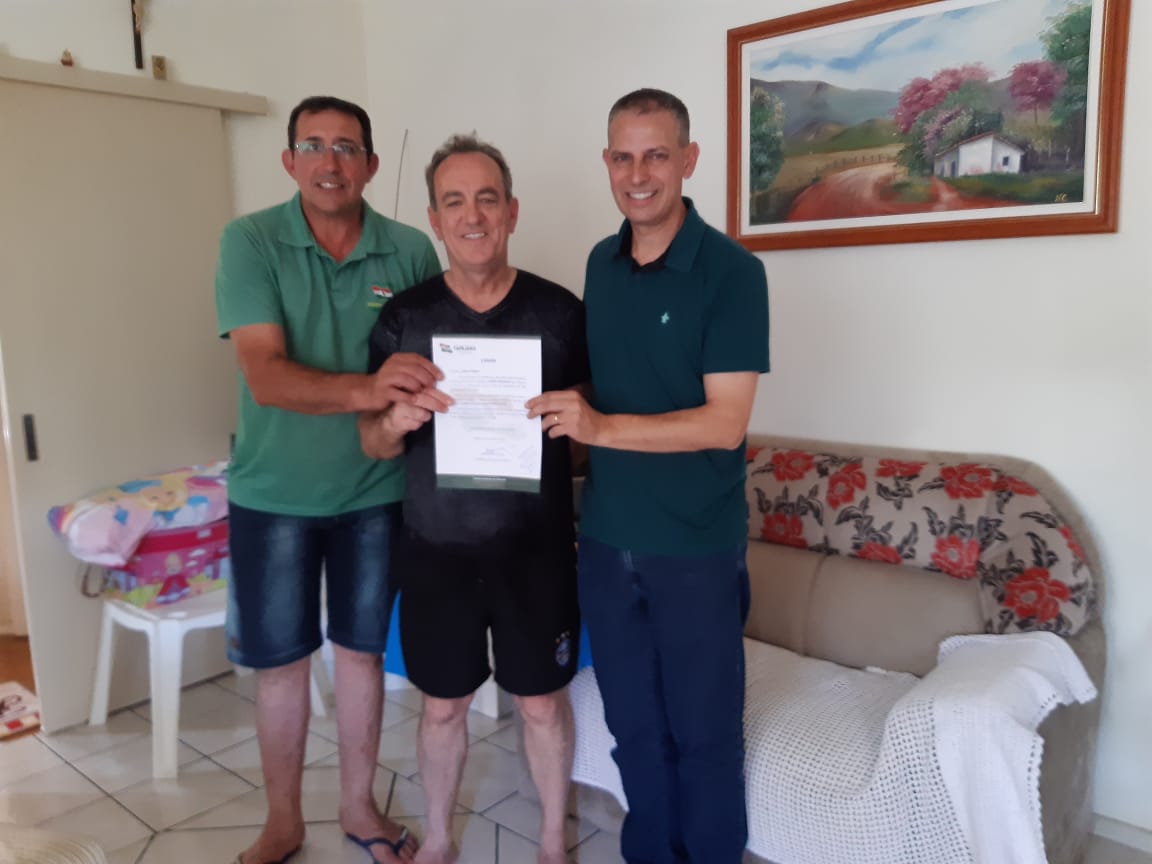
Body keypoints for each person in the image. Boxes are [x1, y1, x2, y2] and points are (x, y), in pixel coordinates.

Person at [527, 88, 770, 863]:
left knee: (704, 738)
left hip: (696, 549)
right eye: (623, 157)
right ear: (606, 163)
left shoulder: (733, 272)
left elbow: (724, 421)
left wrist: (598, 428)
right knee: (633, 731)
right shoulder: (600, 265)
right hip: (606, 542)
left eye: (656, 155)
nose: (638, 175)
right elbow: (607, 386)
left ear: (688, 160)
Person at [215, 95, 443, 864]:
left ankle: (358, 808)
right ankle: (283, 821)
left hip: (376, 494)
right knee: (281, 669)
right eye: (311, 145)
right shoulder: (249, 241)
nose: (329, 161)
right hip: (271, 495)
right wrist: (370, 388)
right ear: (289, 161)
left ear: (371, 165)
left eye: (346, 147)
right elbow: (267, 376)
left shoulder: (409, 250)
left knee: (361, 658)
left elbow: (434, 367)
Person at [359, 134, 588, 864]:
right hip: (436, 554)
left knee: (542, 703)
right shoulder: (405, 319)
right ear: (434, 219)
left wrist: (572, 422)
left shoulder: (561, 313)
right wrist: (395, 421)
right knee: (442, 706)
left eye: (487, 198)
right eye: (454, 201)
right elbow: (372, 442)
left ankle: (552, 841)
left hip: (536, 553)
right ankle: (439, 837)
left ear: (512, 211)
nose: (473, 215)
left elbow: (589, 439)